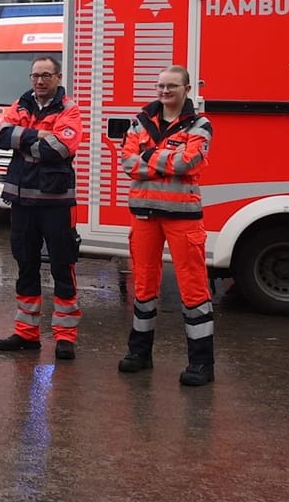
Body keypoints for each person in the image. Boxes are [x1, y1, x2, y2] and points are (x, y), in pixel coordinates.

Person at [117, 66, 216, 386]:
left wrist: (148, 156)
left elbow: (190, 163)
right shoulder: (140, 121)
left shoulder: (201, 124)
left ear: (187, 89)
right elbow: (128, 163)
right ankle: (140, 353)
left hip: (182, 218)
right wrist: (163, 159)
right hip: (144, 215)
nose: (165, 91)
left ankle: (202, 364)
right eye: (160, 85)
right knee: (143, 287)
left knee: (194, 288)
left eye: (172, 86)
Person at [0, 56, 83, 359]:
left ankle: (65, 336)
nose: (39, 81)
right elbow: (1, 135)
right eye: (35, 76)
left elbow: (59, 148)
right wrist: (38, 135)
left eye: (45, 75)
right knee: (25, 266)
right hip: (22, 202)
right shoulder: (20, 104)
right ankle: (27, 333)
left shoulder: (69, 109)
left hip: (56, 203)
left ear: (58, 76)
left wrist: (24, 140)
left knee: (62, 266)